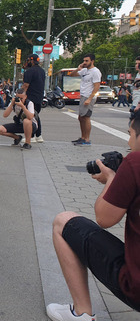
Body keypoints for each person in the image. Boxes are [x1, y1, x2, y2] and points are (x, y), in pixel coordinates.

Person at [46, 116, 140, 321]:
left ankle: (82, 313)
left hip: (136, 287)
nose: (128, 143)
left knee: (63, 221)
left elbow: (103, 218)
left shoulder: (135, 163)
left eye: (130, 134)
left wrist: (111, 181)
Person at [69, 54, 101, 146]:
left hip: (88, 97)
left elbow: (96, 86)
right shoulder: (84, 70)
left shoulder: (95, 72)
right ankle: (82, 137)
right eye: (84, 61)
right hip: (83, 96)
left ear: (92, 61)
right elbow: (71, 75)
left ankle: (87, 139)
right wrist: (78, 69)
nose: (85, 62)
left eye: (87, 61)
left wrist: (90, 98)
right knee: (81, 117)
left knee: (86, 117)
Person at [22, 54, 46, 143]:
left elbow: (26, 85)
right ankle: (38, 135)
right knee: (35, 116)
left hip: (30, 97)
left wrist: (23, 95)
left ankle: (31, 136)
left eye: (28, 60)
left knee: (30, 116)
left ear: (31, 61)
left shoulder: (29, 71)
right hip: (39, 97)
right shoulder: (42, 71)